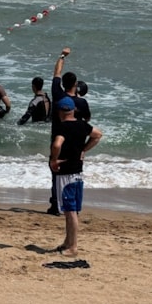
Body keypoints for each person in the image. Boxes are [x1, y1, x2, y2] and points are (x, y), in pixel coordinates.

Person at [49, 97, 102, 257]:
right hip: (78, 172)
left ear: (59, 112)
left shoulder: (62, 127)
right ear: (73, 110)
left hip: (66, 174)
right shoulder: (82, 125)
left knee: (70, 210)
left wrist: (53, 160)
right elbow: (98, 135)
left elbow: (57, 144)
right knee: (71, 210)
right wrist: (84, 150)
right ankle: (68, 241)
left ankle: (73, 247)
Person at [47, 47, 91, 215]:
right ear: (76, 85)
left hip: (58, 138)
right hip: (76, 141)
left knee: (56, 172)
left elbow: (56, 73)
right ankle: (73, 206)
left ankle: (55, 205)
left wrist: (62, 56)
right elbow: (87, 120)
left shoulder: (57, 94)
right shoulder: (81, 103)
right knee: (75, 172)